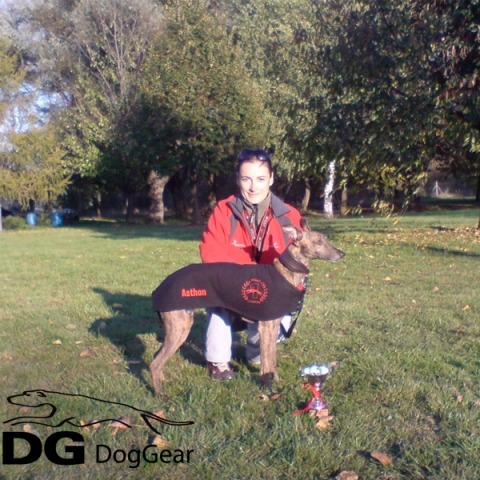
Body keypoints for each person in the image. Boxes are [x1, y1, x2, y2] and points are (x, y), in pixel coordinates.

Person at [199, 148, 303, 380]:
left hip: (270, 292)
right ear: (238, 180)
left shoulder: (290, 215)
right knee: (217, 300)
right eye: (246, 179)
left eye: (260, 179)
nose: (253, 187)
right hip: (232, 289)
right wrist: (239, 285)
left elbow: (296, 260)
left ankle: (258, 351)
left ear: (271, 179)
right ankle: (218, 361)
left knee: (260, 351)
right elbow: (211, 253)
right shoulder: (224, 210)